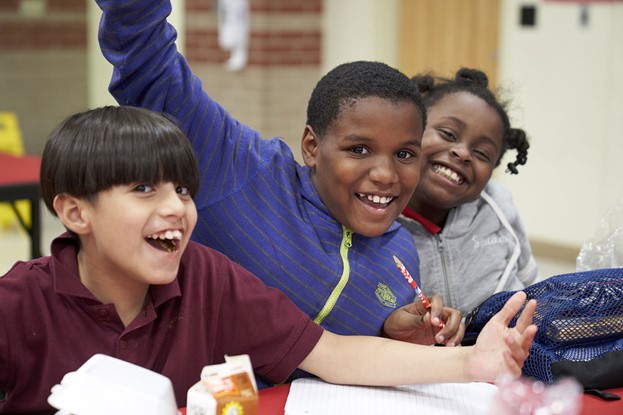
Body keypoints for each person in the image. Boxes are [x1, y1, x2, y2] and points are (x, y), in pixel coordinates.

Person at [0, 106, 537, 414]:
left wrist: (471, 363)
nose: (175, 209)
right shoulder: (18, 304)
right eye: (144, 189)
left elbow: (335, 355)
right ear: (75, 212)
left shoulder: (207, 276)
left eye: (184, 190)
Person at [95, 0, 464, 349]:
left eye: (404, 154)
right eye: (359, 150)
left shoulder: (400, 254)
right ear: (312, 147)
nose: (386, 175)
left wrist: (392, 337)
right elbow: (149, 63)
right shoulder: (241, 170)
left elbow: (344, 360)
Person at [398, 68, 538, 315]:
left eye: (482, 153)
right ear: (411, 128)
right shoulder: (375, 212)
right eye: (448, 134)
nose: (462, 153)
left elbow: (531, 286)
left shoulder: (498, 207)